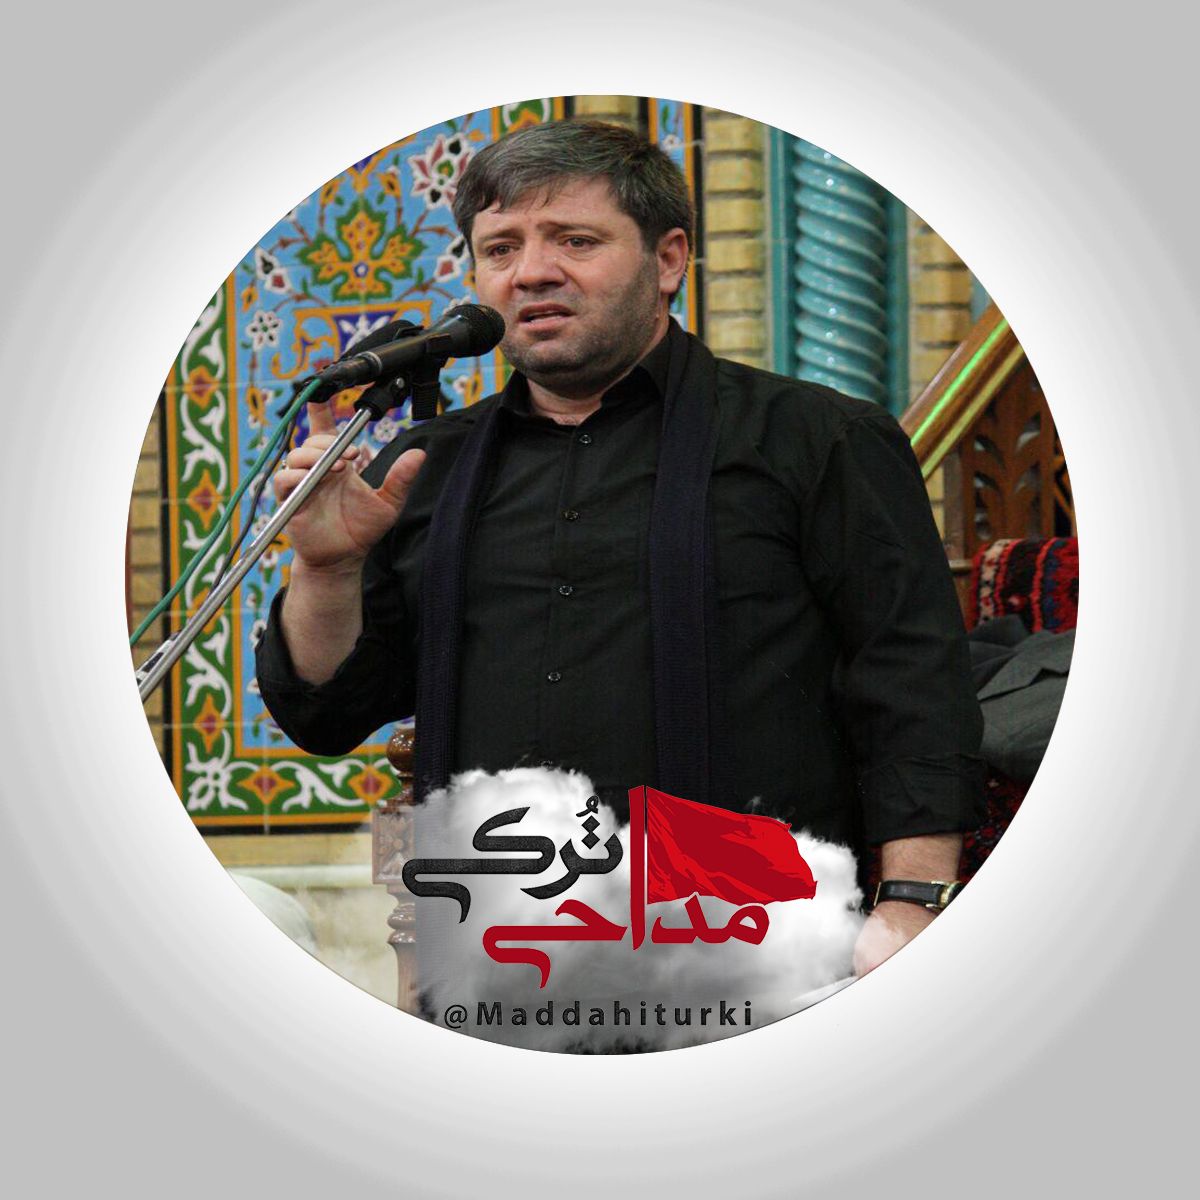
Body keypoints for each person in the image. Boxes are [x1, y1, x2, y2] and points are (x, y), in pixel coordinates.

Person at [255, 120, 984, 975]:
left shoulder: (818, 439)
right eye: (501, 249)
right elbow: (329, 711)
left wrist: (912, 902)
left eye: (575, 240)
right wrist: (326, 569)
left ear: (668, 260)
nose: (532, 271)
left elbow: (912, 683)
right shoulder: (427, 468)